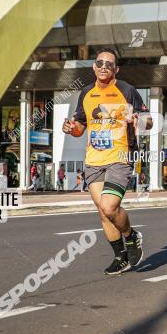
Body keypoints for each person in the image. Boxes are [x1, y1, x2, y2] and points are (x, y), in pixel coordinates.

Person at [63, 49, 150, 276]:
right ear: (94, 67)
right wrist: (72, 128)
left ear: (116, 69)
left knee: (110, 206)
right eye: (100, 63)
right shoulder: (86, 93)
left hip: (120, 157)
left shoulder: (126, 90)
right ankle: (120, 257)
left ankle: (131, 236)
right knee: (104, 212)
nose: (104, 67)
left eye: (109, 64)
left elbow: (148, 120)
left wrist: (139, 120)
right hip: (93, 160)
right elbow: (80, 127)